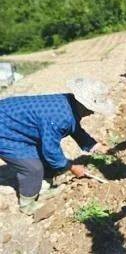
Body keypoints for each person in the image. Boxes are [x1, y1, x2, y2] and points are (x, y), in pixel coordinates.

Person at [0, 78, 116, 216]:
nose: (93, 113)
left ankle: (43, 187)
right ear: (83, 104)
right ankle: (27, 205)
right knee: (33, 167)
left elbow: (75, 129)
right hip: (4, 129)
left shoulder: (69, 103)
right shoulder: (62, 117)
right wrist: (72, 167)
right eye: (92, 109)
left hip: (14, 122)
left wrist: (94, 145)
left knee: (49, 159)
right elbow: (50, 150)